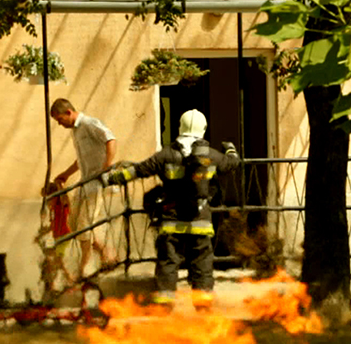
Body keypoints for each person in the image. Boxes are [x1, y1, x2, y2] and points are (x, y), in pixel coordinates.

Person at [101, 109, 239, 308]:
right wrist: (231, 149)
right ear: (204, 129)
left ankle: (164, 308)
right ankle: (203, 307)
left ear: (180, 127)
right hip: (199, 220)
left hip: (171, 220)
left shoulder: (166, 154)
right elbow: (232, 164)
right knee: (202, 264)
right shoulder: (210, 155)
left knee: (168, 262)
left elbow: (139, 170)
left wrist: (112, 178)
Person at [49, 98, 118, 277]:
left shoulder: (89, 124)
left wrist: (107, 166)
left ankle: (85, 268)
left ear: (69, 113)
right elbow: (81, 159)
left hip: (97, 183)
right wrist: (66, 173)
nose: (59, 123)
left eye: (60, 119)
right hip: (85, 181)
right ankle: (106, 253)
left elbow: (110, 139)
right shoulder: (75, 131)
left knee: (84, 225)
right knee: (73, 223)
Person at [36, 182, 74, 296]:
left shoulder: (61, 204)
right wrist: (41, 234)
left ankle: (70, 280)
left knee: (58, 260)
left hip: (65, 235)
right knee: (50, 261)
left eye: (49, 198)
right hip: (57, 237)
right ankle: (52, 285)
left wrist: (59, 186)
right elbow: (53, 225)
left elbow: (65, 199)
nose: (47, 202)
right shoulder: (53, 209)